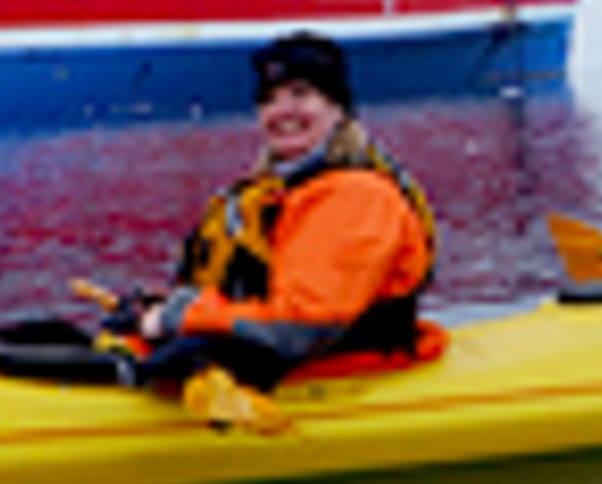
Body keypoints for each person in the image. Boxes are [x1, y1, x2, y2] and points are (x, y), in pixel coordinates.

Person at [121, 31, 437, 411]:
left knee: (174, 352)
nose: (282, 111)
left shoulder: (357, 195)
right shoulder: (278, 193)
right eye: (269, 100)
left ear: (337, 108)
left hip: (333, 362)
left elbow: (300, 327)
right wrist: (175, 305)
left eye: (300, 94)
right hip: (274, 347)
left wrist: (182, 318)